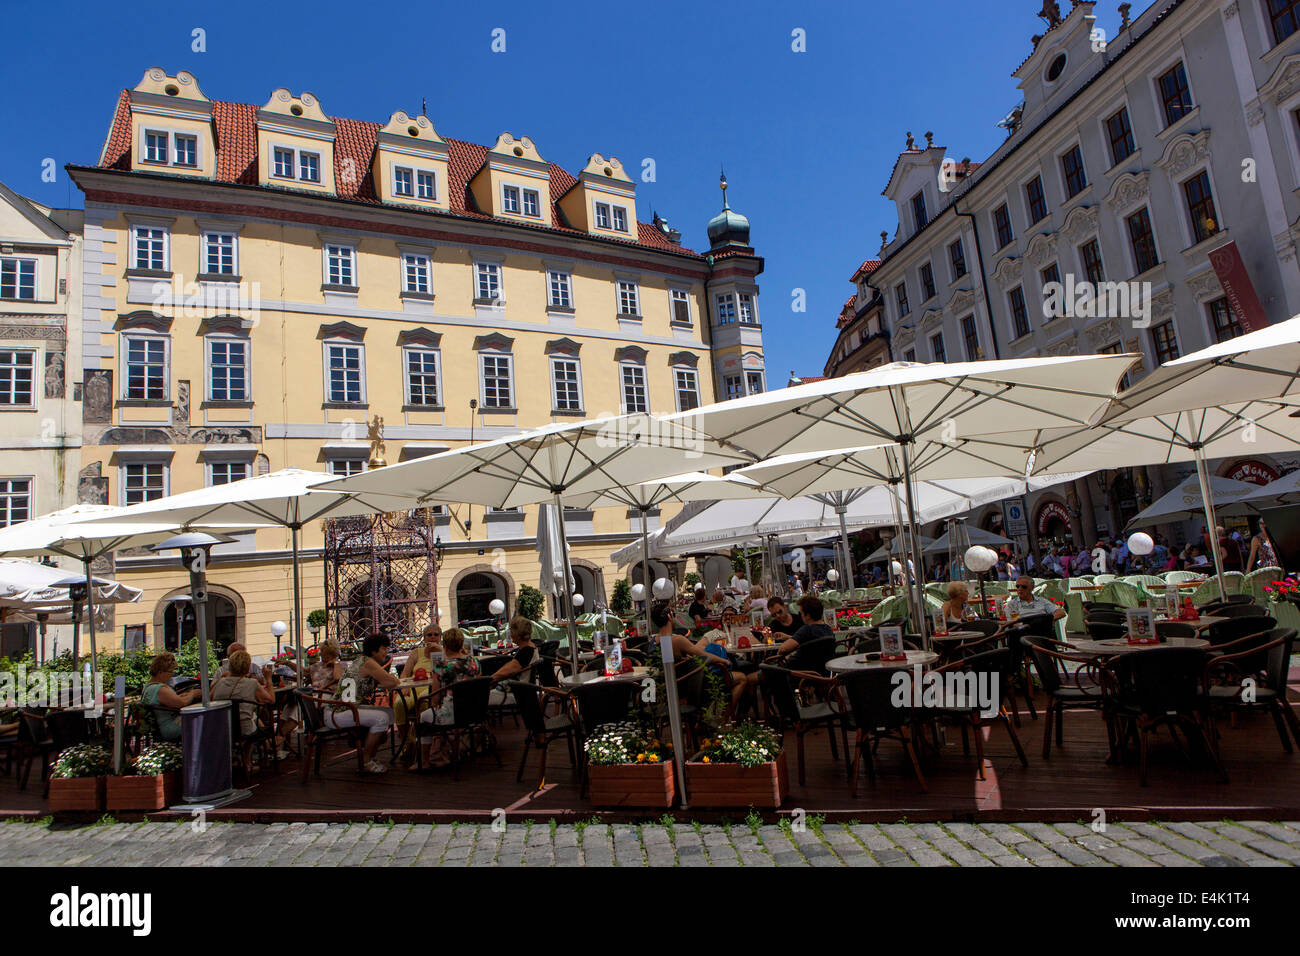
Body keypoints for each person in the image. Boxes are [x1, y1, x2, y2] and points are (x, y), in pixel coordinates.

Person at [327, 633, 400, 774]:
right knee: (382, 718)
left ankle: (371, 755)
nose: (386, 652)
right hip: (340, 712)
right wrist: (390, 679)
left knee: (389, 714)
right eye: (384, 648)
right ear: (374, 651)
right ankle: (366, 760)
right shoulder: (368, 663)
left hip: (342, 709)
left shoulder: (360, 660)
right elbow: (391, 682)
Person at [415, 628, 480, 767]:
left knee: (423, 716)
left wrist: (434, 705)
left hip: (453, 715)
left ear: (445, 645)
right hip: (475, 712)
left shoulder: (441, 666)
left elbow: (435, 698)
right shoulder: (474, 662)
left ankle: (425, 760)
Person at [211, 649, 276, 739]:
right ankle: (261, 747)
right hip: (245, 729)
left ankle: (243, 751)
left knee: (252, 718)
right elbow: (271, 700)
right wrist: (268, 679)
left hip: (222, 727)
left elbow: (211, 698)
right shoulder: (252, 683)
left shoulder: (220, 682)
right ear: (248, 666)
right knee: (253, 720)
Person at [140, 652, 201, 742]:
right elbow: (181, 703)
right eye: (170, 671)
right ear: (160, 672)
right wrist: (193, 693)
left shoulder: (148, 687)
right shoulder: (160, 689)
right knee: (204, 721)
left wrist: (183, 695)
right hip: (170, 728)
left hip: (159, 729)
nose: (172, 675)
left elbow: (170, 701)